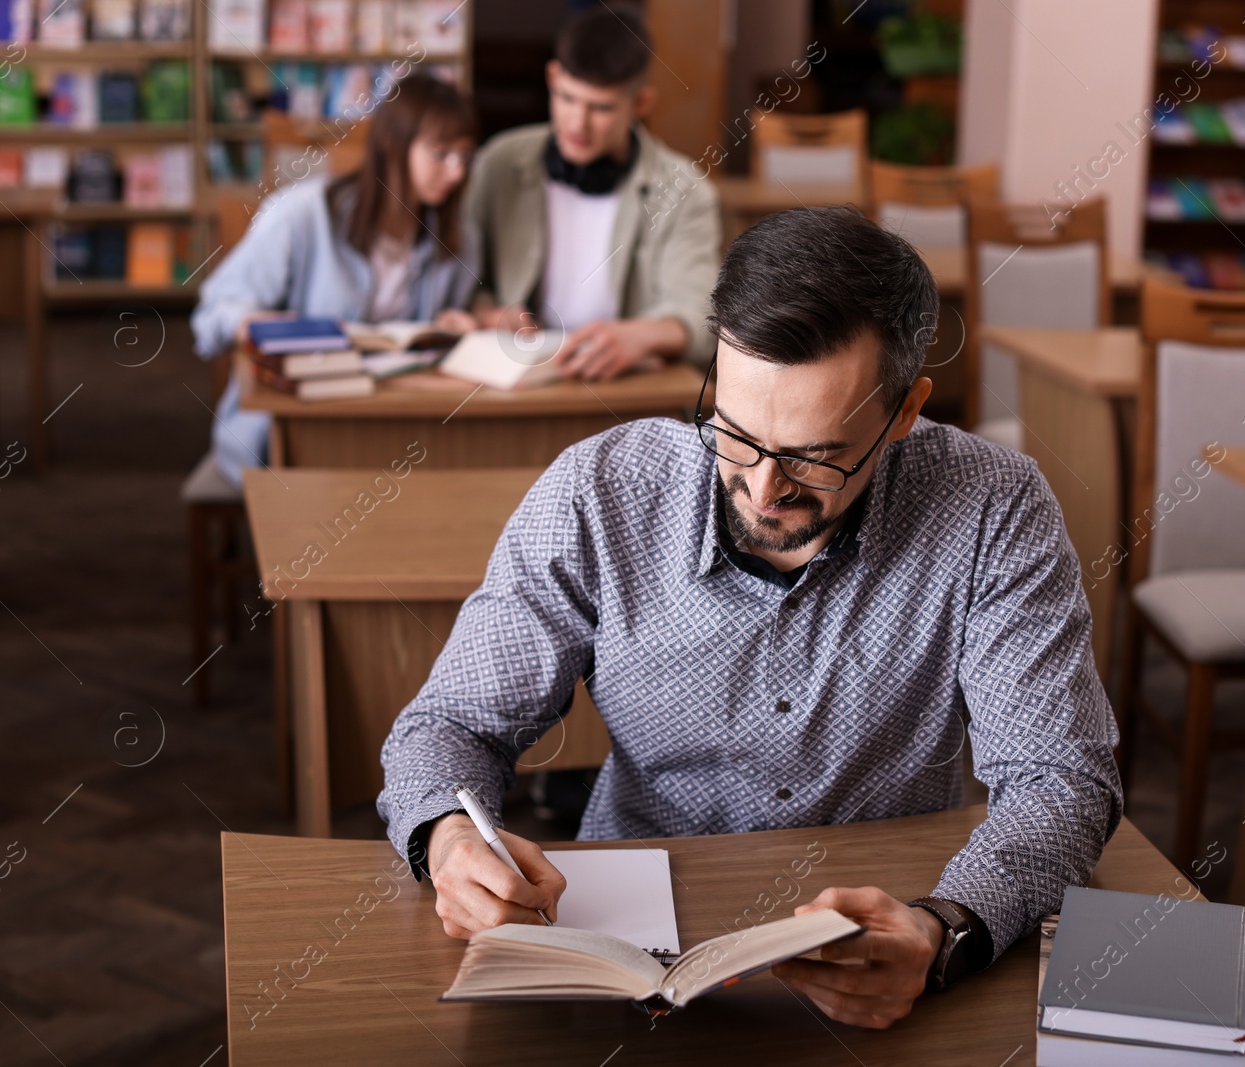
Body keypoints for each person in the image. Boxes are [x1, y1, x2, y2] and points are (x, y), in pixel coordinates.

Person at [378, 206, 1123, 1030]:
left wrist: (944, 927)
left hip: (885, 931)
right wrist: (448, 840)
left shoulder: (994, 507)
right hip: (628, 949)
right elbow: (447, 725)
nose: (764, 489)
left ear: (905, 413)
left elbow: (1061, 778)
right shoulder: (598, 492)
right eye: (734, 432)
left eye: (816, 454)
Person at [191, 74, 480, 486]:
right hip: (299, 433)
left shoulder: (462, 237)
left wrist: (460, 321)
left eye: (466, 157)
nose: (456, 172)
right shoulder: (301, 213)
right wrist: (249, 323)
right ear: (391, 144)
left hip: (399, 429)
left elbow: (453, 318)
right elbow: (212, 313)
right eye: (441, 154)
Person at [464, 2, 720, 381]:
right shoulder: (499, 162)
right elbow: (463, 280)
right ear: (552, 77)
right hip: (518, 380)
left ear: (641, 104)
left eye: (600, 108)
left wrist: (642, 337)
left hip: (625, 388)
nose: (577, 124)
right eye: (567, 98)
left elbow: (701, 316)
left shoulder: (684, 189)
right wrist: (490, 313)